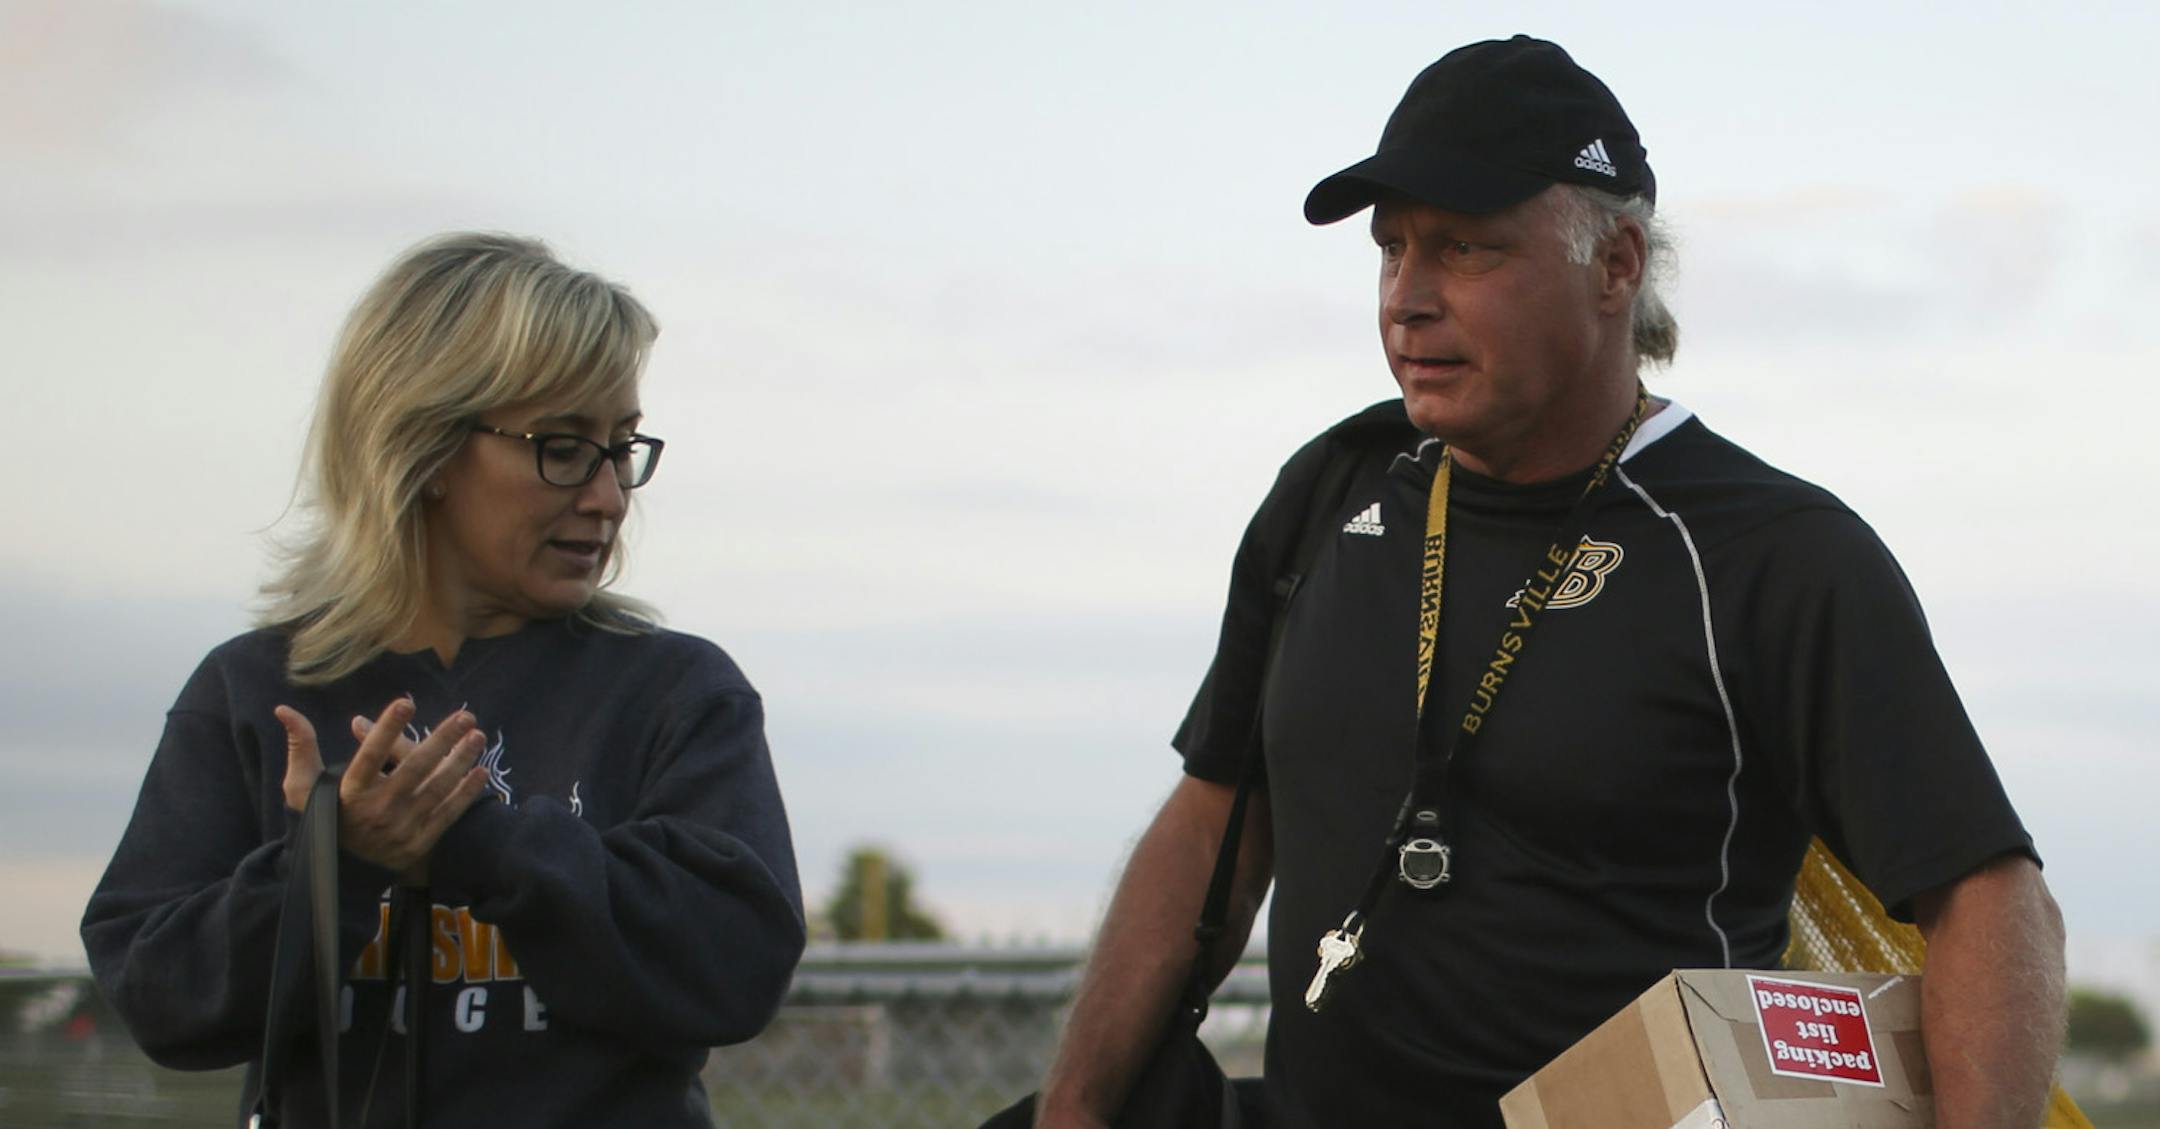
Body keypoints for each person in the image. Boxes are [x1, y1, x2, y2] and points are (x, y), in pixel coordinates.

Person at [1037, 36, 2064, 1129]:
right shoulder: (1331, 491)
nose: (1407, 298)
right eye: (1392, 250)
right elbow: (1214, 824)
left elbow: (1990, 901)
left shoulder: (1772, 553)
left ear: (1617, 264)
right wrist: (1075, 1107)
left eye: (1466, 250)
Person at [80, 232, 806, 1127]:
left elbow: (735, 967)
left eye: (621, 448)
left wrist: (478, 844)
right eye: (564, 448)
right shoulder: (256, 690)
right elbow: (160, 996)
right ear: (419, 448)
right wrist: (331, 863)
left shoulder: (674, 690)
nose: (611, 495)